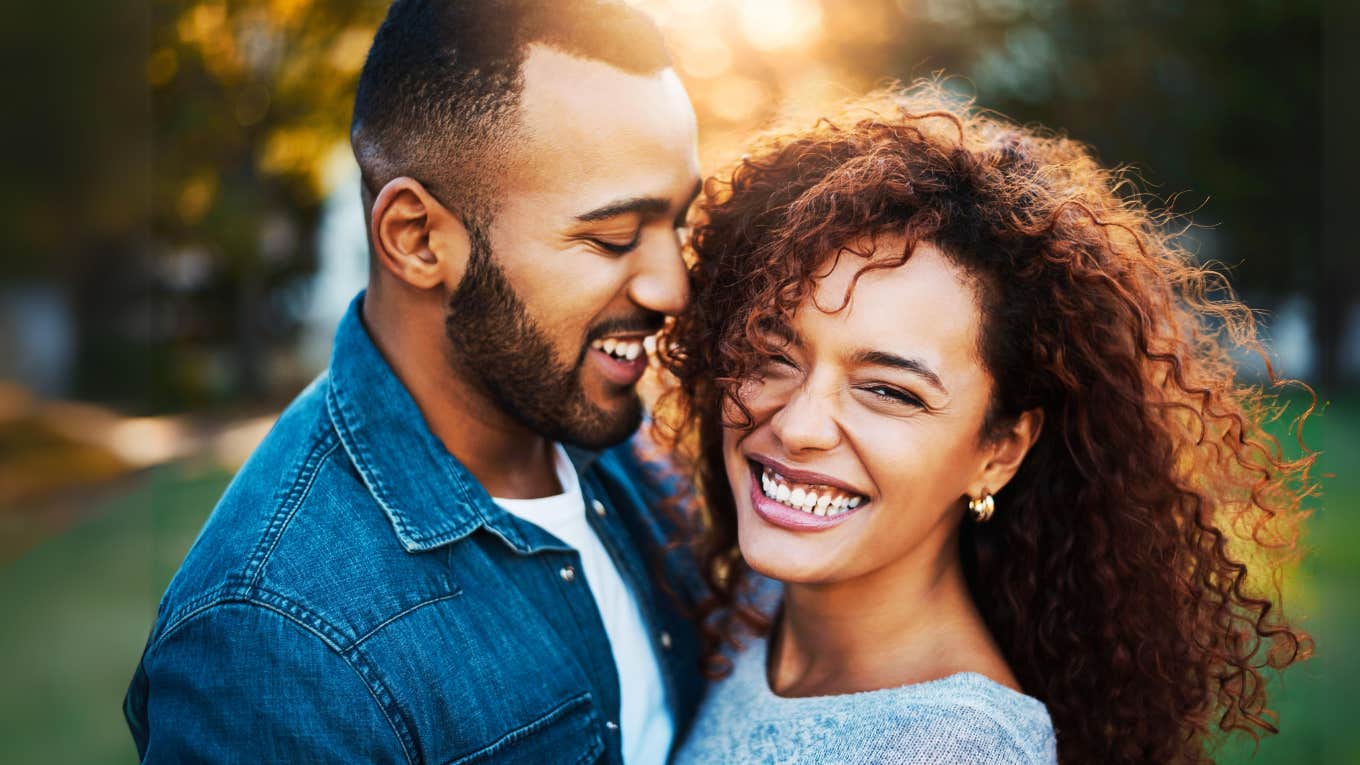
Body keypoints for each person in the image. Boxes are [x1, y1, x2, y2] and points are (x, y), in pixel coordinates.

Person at [658, 83, 1314, 764]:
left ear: (998, 451)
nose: (799, 426)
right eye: (771, 355)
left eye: (888, 390)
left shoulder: (954, 749)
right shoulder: (749, 604)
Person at [123, 1, 703, 762]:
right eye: (614, 237)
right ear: (417, 238)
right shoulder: (277, 638)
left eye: (681, 223)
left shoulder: (617, 437)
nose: (672, 288)